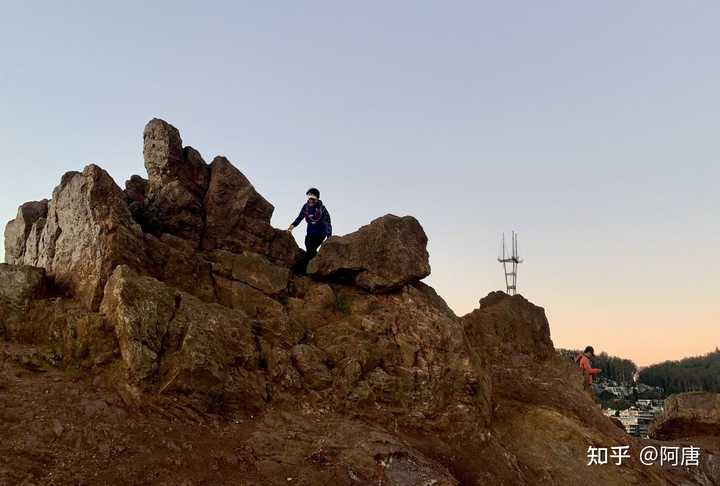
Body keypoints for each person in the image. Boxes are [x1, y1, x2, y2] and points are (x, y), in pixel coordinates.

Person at [287, 188, 332, 274]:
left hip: (320, 234)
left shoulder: (323, 210)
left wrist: (329, 237)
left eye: (313, 199)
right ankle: (318, 264)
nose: (310, 200)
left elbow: (328, 224)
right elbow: (300, 217)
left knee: (310, 250)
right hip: (310, 232)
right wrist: (292, 226)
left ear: (317, 199)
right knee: (310, 249)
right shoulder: (306, 207)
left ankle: (302, 271)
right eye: (309, 198)